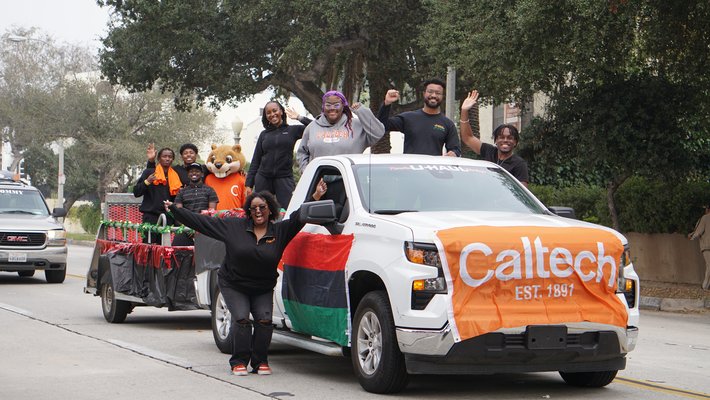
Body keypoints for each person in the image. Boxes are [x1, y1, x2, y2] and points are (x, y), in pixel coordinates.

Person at [164, 182, 328, 376]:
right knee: (241, 318)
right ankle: (239, 361)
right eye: (253, 208)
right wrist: (176, 210)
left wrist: (316, 196)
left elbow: (300, 217)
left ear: (270, 210)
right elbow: (202, 223)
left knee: (265, 320)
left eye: (262, 207)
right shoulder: (233, 227)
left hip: (262, 286)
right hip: (234, 284)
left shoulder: (280, 231)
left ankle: (260, 362)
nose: (258, 211)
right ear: (248, 211)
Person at [296, 90, 385, 172]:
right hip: (318, 182)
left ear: (343, 106)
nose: (332, 108)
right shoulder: (312, 127)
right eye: (328, 105)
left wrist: (362, 111)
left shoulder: (356, 125)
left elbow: (378, 133)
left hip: (349, 180)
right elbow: (302, 153)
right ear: (323, 107)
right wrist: (307, 172)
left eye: (336, 105)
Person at [246, 101, 310, 208]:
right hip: (263, 178)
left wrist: (299, 117)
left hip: (284, 177)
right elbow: (256, 160)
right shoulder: (264, 135)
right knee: (261, 210)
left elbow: (316, 126)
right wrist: (249, 184)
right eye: (268, 113)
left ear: (281, 111)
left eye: (275, 111)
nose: (272, 114)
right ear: (266, 116)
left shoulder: (292, 130)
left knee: (290, 210)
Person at [459, 90, 529, 186]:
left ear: (515, 142)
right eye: (501, 137)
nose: (505, 140)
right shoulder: (489, 151)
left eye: (510, 138)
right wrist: (464, 110)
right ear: (496, 140)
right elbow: (467, 137)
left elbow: (521, 192)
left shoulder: (519, 164)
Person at [377, 78, 461, 157]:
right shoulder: (408, 118)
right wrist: (387, 103)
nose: (434, 95)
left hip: (433, 171)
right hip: (410, 170)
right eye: (430, 91)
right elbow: (382, 125)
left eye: (438, 93)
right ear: (424, 93)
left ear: (442, 96)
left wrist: (453, 154)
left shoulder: (448, 124)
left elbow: (455, 149)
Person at [133, 147, 181, 244]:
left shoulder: (176, 175)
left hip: (168, 217)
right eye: (164, 156)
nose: (167, 159)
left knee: (163, 246)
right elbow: (136, 192)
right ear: (159, 159)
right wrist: (147, 182)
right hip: (151, 216)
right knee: (148, 246)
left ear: (173, 159)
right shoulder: (150, 172)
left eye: (170, 157)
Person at [171, 162, 219, 246]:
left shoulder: (210, 190)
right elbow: (179, 213)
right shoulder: (182, 192)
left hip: (204, 228)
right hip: (185, 229)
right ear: (188, 174)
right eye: (191, 171)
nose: (194, 173)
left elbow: (212, 212)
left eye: (197, 171)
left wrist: (198, 229)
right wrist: (189, 229)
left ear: (202, 174)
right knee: (177, 251)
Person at [688, 204, 710, 290]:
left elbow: (698, 231)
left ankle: (705, 286)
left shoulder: (704, 218)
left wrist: (691, 236)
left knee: (709, 266)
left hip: (707, 246)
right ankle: (706, 285)